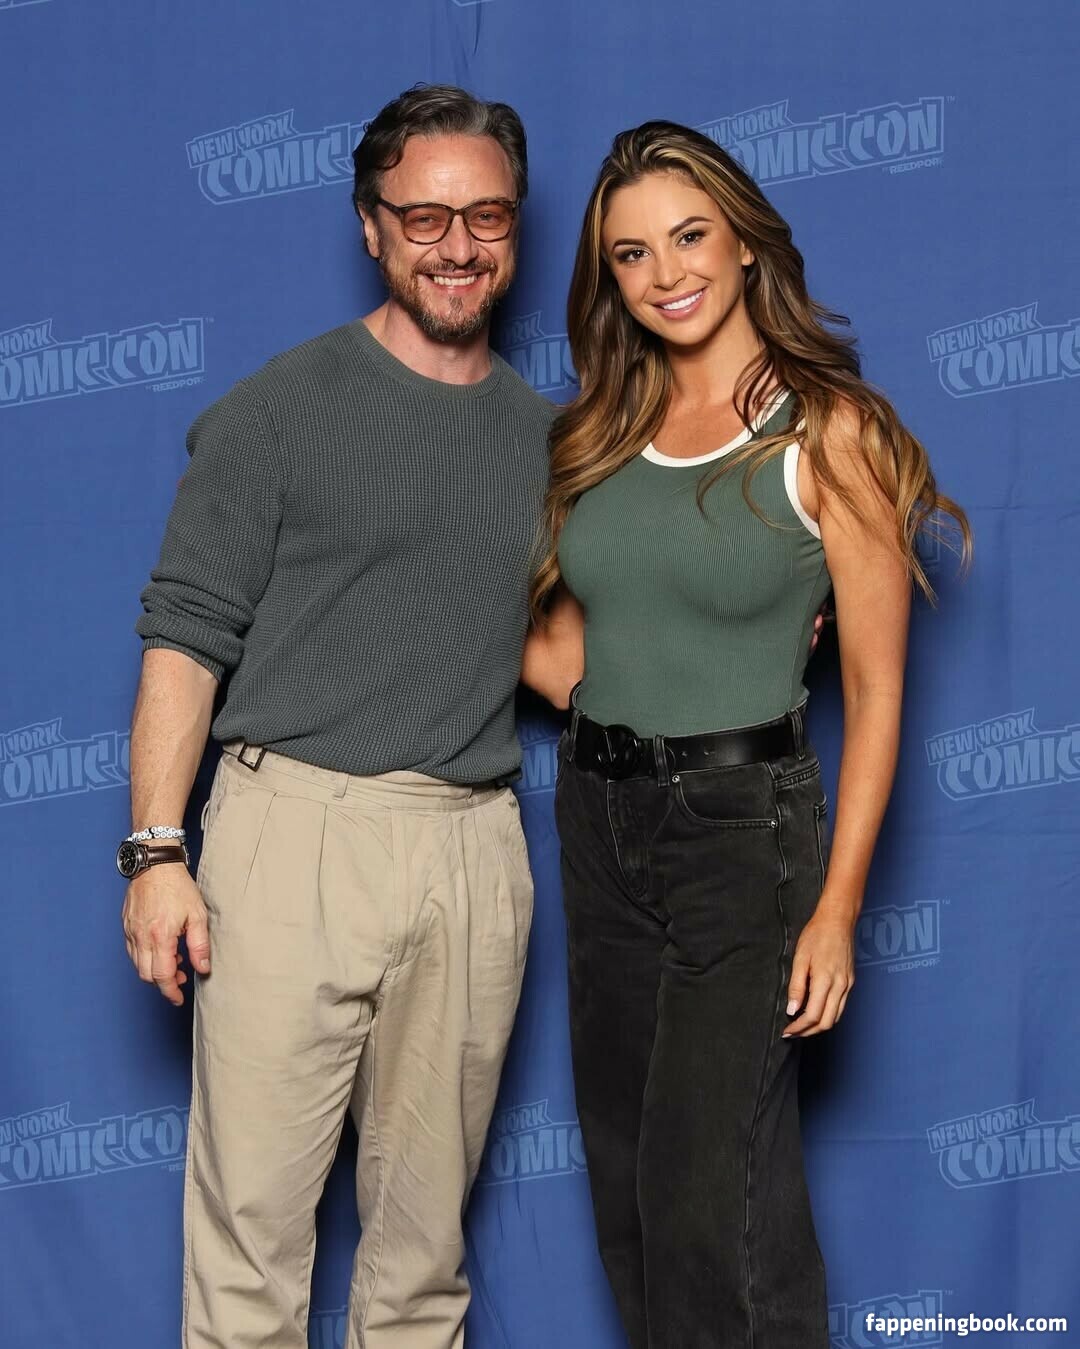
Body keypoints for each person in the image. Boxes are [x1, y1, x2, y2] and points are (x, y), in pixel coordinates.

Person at [523, 121, 971, 1349]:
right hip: (599, 820)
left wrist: (836, 908)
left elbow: (875, 689)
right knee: (631, 1187)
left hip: (739, 833)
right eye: (630, 254)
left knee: (702, 1193)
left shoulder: (826, 430)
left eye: (688, 237)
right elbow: (566, 658)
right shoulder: (601, 430)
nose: (664, 273)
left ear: (745, 244)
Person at [120, 85, 553, 1349]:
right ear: (371, 226)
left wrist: (762, 627)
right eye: (424, 217)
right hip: (289, 836)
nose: (457, 245)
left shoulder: (552, 441)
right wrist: (155, 852)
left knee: (422, 1263)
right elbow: (185, 635)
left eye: (486, 216)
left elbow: (573, 658)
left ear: (516, 227)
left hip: (471, 847)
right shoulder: (279, 408)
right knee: (252, 1252)